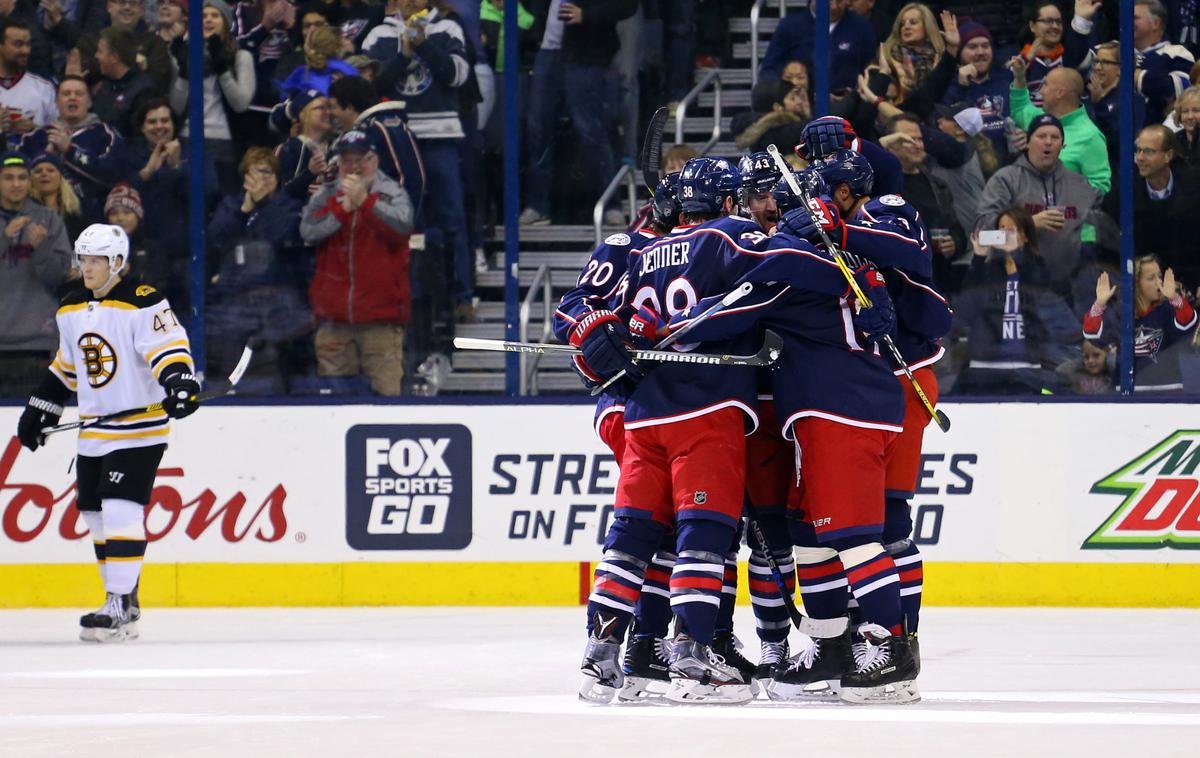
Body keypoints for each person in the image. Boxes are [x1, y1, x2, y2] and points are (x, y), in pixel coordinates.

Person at [576, 157, 762, 706]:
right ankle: (690, 662)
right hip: (705, 409)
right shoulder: (731, 234)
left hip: (644, 415)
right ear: (726, 201)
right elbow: (770, 279)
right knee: (701, 540)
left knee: (629, 539)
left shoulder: (643, 249)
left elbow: (622, 321)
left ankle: (601, 659)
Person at [15, 222, 200, 642]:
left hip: (139, 429)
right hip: (95, 431)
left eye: (96, 260)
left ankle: (117, 604)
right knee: (95, 515)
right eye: (83, 259)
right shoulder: (71, 307)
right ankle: (125, 602)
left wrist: (179, 383)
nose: (87, 267)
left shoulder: (143, 301)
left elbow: (168, 349)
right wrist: (40, 408)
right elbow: (67, 368)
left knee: (120, 508)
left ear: (117, 262)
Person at [368, 0, 476, 330]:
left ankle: (461, 295)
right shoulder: (378, 36)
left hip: (440, 135)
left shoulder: (447, 28)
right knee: (404, 219)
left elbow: (457, 75)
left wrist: (424, 44)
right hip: (397, 140)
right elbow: (373, 86)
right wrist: (402, 54)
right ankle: (405, 296)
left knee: (452, 218)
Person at [299, 128, 414, 396]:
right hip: (333, 320)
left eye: (360, 159)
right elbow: (308, 231)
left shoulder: (393, 193)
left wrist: (366, 203)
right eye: (346, 160)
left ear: (374, 160)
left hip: (381, 320)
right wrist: (343, 210)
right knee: (333, 404)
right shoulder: (326, 195)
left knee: (388, 397)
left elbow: (402, 229)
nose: (353, 167)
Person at [516, 0, 638, 227]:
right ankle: (537, 205)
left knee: (590, 129)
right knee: (538, 129)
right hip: (547, 54)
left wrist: (587, 15)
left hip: (585, 55)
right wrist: (537, 31)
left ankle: (611, 203)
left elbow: (628, 6)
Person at [207, 146, 309, 391]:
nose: (261, 180)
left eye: (267, 173)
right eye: (255, 173)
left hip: (278, 302)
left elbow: (284, 237)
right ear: (244, 177)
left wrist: (265, 204)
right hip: (236, 302)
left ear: (277, 178)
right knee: (230, 369)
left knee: (274, 369)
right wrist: (244, 211)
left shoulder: (289, 207)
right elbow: (216, 239)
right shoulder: (231, 205)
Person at [975, 112, 1102, 306]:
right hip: (1015, 290)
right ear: (1027, 142)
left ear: (1062, 145)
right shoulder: (1006, 180)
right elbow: (982, 235)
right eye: (1041, 136)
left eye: (1055, 137)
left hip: (1065, 293)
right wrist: (1026, 224)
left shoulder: (1079, 185)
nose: (1048, 142)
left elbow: (1104, 223)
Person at [954, 206, 1061, 394]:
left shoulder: (1039, 268)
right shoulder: (988, 270)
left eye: (1012, 229)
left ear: (1026, 236)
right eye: (1002, 229)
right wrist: (978, 257)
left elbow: (1039, 298)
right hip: (985, 366)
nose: (1006, 234)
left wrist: (1016, 256)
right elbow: (966, 307)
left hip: (1027, 366)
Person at [0, 150, 71, 397]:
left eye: (22, 177)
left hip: (38, 345)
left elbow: (60, 276)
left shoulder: (48, 219)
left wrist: (41, 250)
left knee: (36, 428)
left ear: (30, 181)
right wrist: (3, 239)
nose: (16, 184)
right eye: (8, 178)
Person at [168, 0, 256, 196]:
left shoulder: (241, 57)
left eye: (215, 16)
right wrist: (183, 73)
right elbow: (175, 106)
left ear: (226, 22)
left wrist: (223, 69)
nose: (208, 20)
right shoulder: (182, 54)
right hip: (186, 139)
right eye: (203, 16)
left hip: (223, 143)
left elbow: (241, 104)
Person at [17, 75, 127, 222]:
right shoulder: (35, 137)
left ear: (89, 102)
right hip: (37, 220)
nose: (72, 97)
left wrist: (70, 151)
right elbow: (15, 175)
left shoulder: (105, 135)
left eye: (79, 94)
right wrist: (45, 159)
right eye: (66, 93)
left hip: (89, 221)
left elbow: (112, 176)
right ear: (56, 102)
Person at [879, 112, 966, 295]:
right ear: (892, 143)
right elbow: (859, 156)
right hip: (894, 283)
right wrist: (884, 145)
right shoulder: (879, 183)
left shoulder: (938, 185)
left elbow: (957, 230)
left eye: (920, 139)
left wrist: (954, 243)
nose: (918, 145)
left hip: (935, 283)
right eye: (909, 139)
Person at [1069, 0, 1193, 123]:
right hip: (1105, 125)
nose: (1128, 21)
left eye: (1134, 18)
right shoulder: (1110, 49)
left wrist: (1133, 76)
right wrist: (1082, 22)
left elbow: (1178, 90)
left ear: (1155, 23)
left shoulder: (1176, 53)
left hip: (1154, 133)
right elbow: (1076, 65)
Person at [1084, 258, 1197, 393]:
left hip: (1167, 392)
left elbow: (1188, 323)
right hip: (1127, 393)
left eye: (1159, 277)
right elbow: (1092, 334)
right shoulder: (1121, 313)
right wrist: (1099, 304)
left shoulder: (1169, 308)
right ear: (1136, 284)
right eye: (1151, 278)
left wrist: (1175, 298)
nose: (1159, 282)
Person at [1008, 55, 1110, 193]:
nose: (1041, 91)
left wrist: (1061, 199)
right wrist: (1020, 77)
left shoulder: (1090, 136)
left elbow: (1100, 187)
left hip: (1065, 212)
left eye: (1045, 85)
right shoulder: (1040, 119)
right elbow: (1020, 109)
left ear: (1060, 93)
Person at [1129, 125, 1200, 286]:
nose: (1140, 157)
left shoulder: (1194, 187)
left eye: (1148, 151)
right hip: (1145, 286)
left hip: (1190, 280)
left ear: (1168, 155)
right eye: (1138, 150)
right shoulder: (1128, 191)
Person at [759, 0, 876, 96]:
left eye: (839, 1)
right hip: (800, 110)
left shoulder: (862, 27)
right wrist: (789, 91)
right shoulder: (789, 26)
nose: (834, 6)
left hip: (849, 110)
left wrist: (856, 95)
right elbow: (769, 71)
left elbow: (871, 70)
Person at [940, 18, 1011, 161]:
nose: (980, 52)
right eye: (972, 47)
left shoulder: (1006, 79)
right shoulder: (947, 86)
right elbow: (946, 125)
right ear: (960, 52)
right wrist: (961, 87)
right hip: (969, 163)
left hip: (1009, 162)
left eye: (985, 46)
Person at [91, 27, 156, 139]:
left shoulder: (144, 91)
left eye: (100, 51)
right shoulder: (104, 85)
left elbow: (139, 138)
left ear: (114, 58)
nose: (96, 56)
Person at [0, 18, 57, 144]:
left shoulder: (44, 88)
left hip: (33, 161)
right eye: (18, 44)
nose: (26, 51)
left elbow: (61, 134)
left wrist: (35, 130)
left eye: (28, 44)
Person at [274, 88, 334, 200]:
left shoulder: (337, 146)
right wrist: (309, 174)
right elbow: (278, 193)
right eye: (320, 108)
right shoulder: (288, 149)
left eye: (329, 107)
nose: (328, 112)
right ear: (302, 115)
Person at [1021, 0, 1065, 107]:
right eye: (1048, 21)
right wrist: (1026, 62)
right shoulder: (1019, 61)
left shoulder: (1070, 58)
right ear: (1032, 26)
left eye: (1058, 22)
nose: (1055, 26)